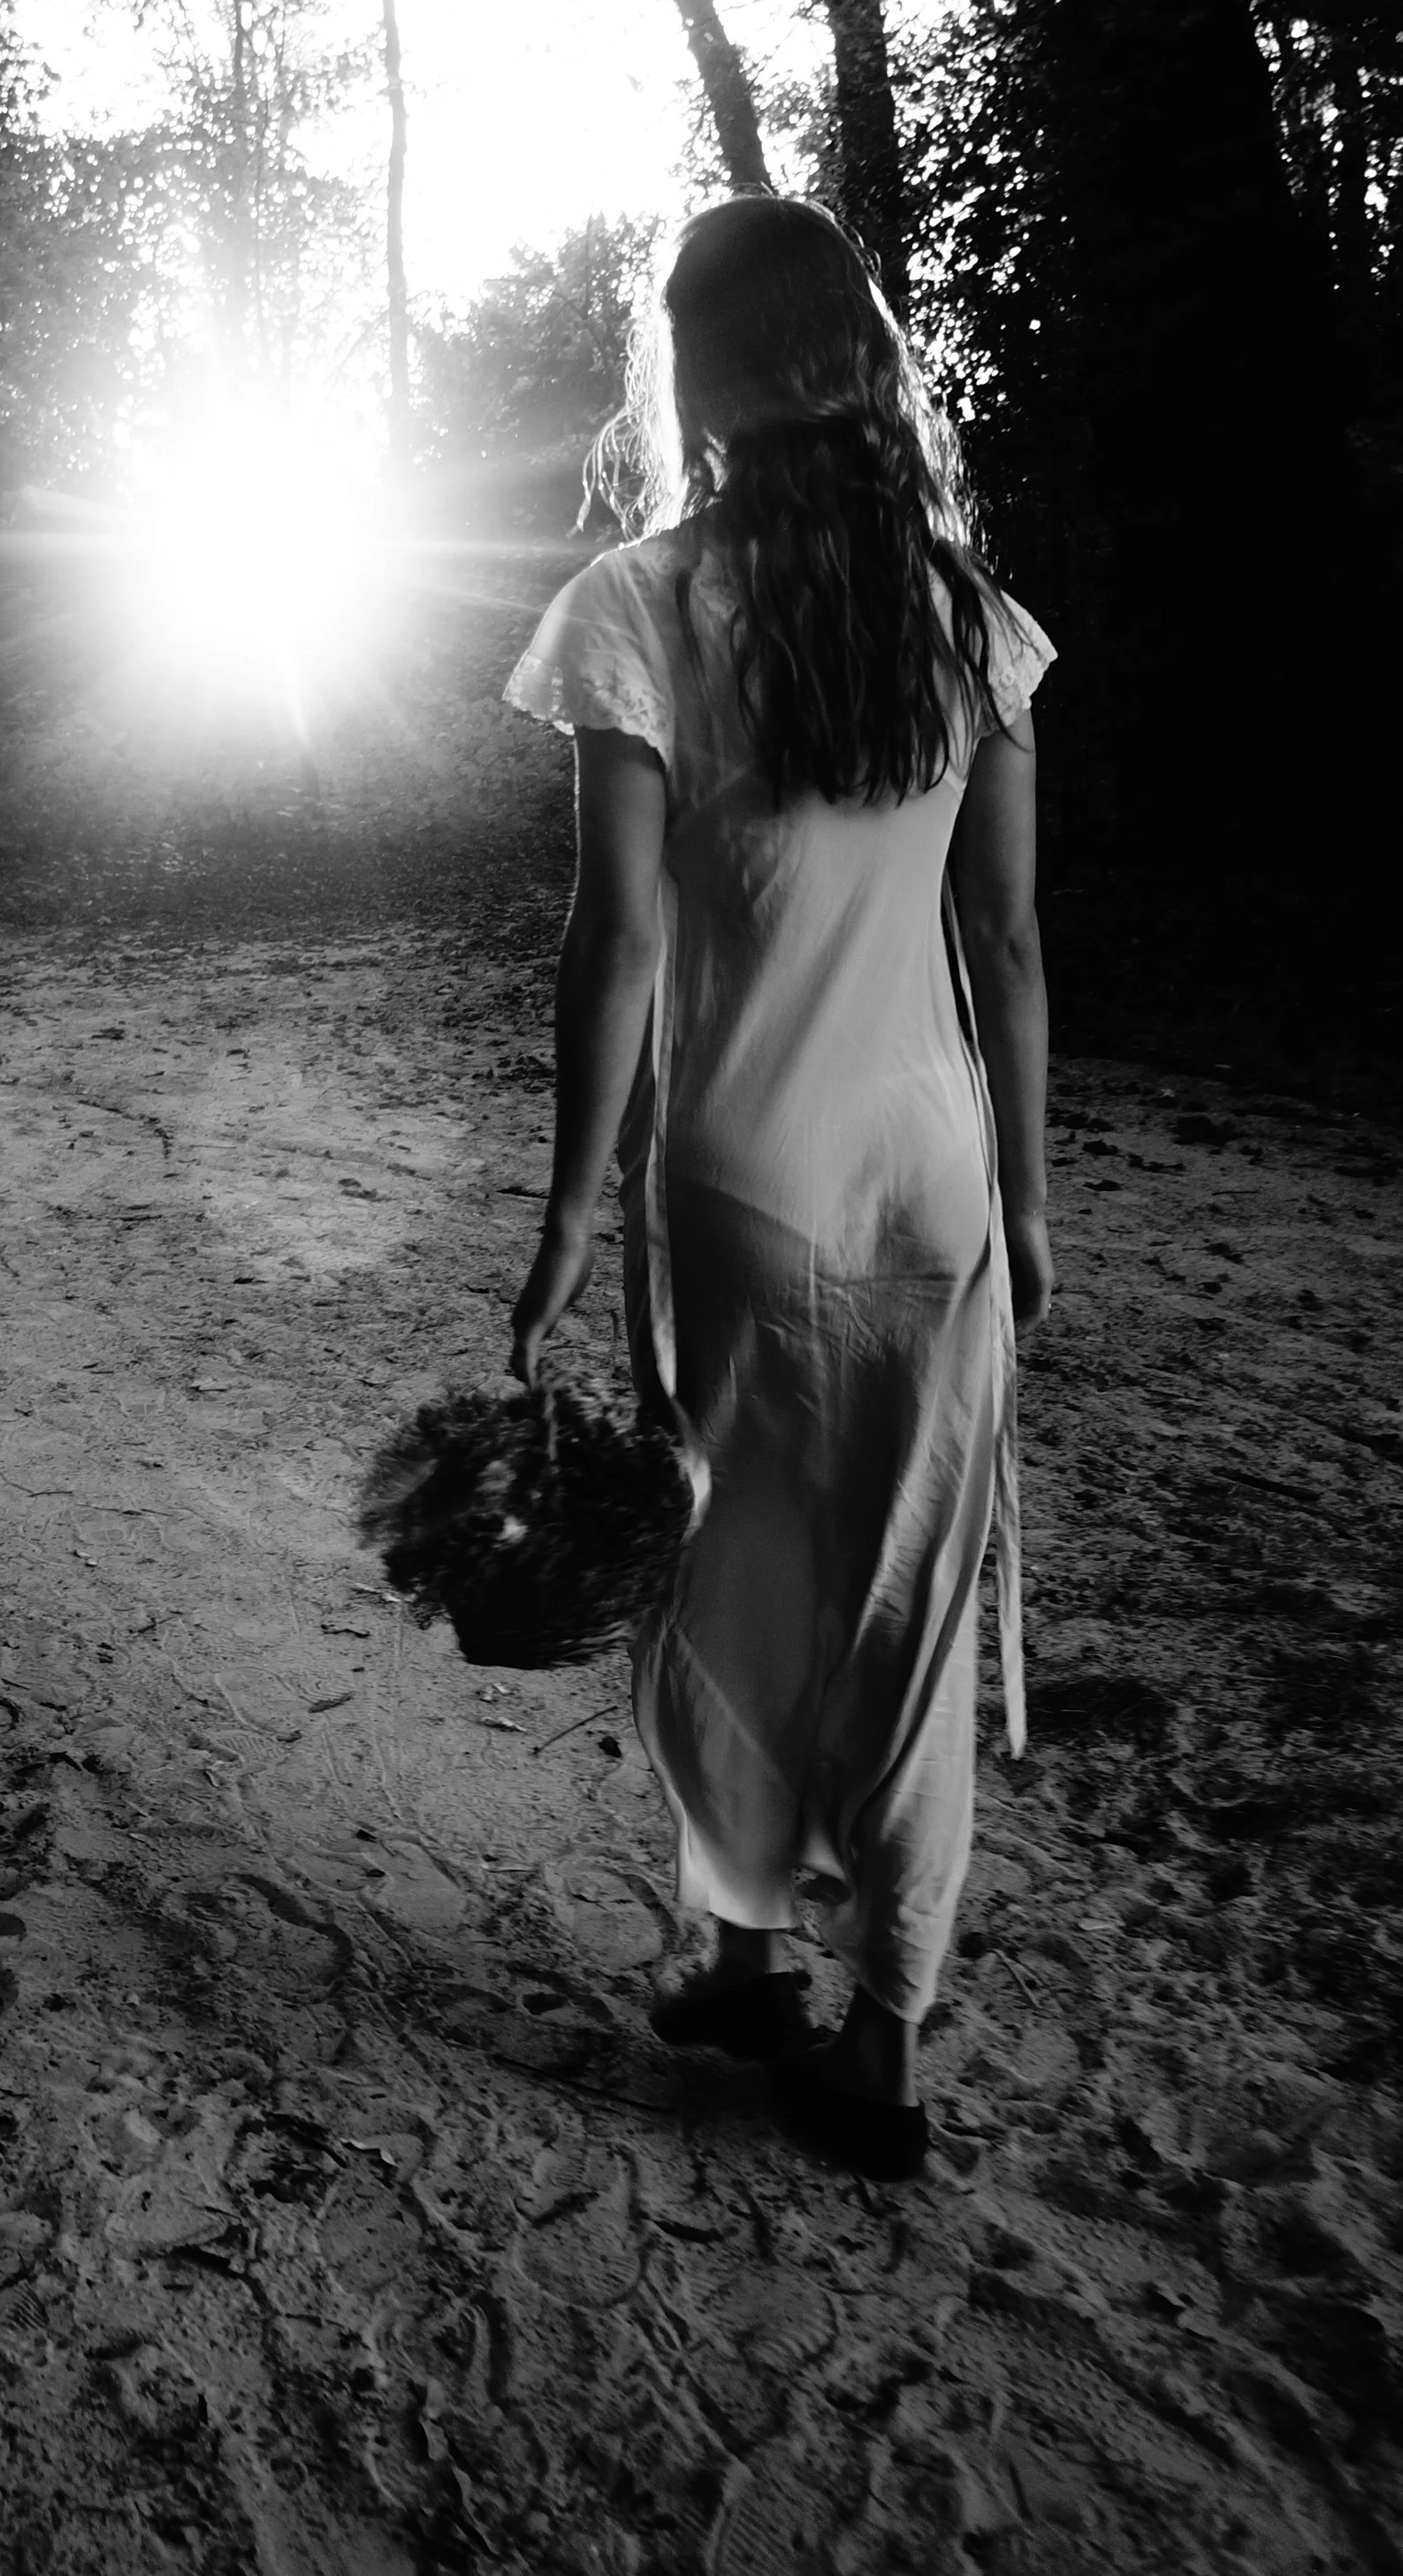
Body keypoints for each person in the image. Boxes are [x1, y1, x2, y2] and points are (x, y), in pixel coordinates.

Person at [503, 193, 1053, 2181]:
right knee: (907, 1603)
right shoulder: (968, 617)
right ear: (864, 354)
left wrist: (570, 1207)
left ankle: (739, 1947)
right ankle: (880, 2040)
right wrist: (1032, 1200)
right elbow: (1002, 946)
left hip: (736, 1178)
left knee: (723, 1566)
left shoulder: (640, 606)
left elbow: (615, 945)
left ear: (700, 375)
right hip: (932, 1175)